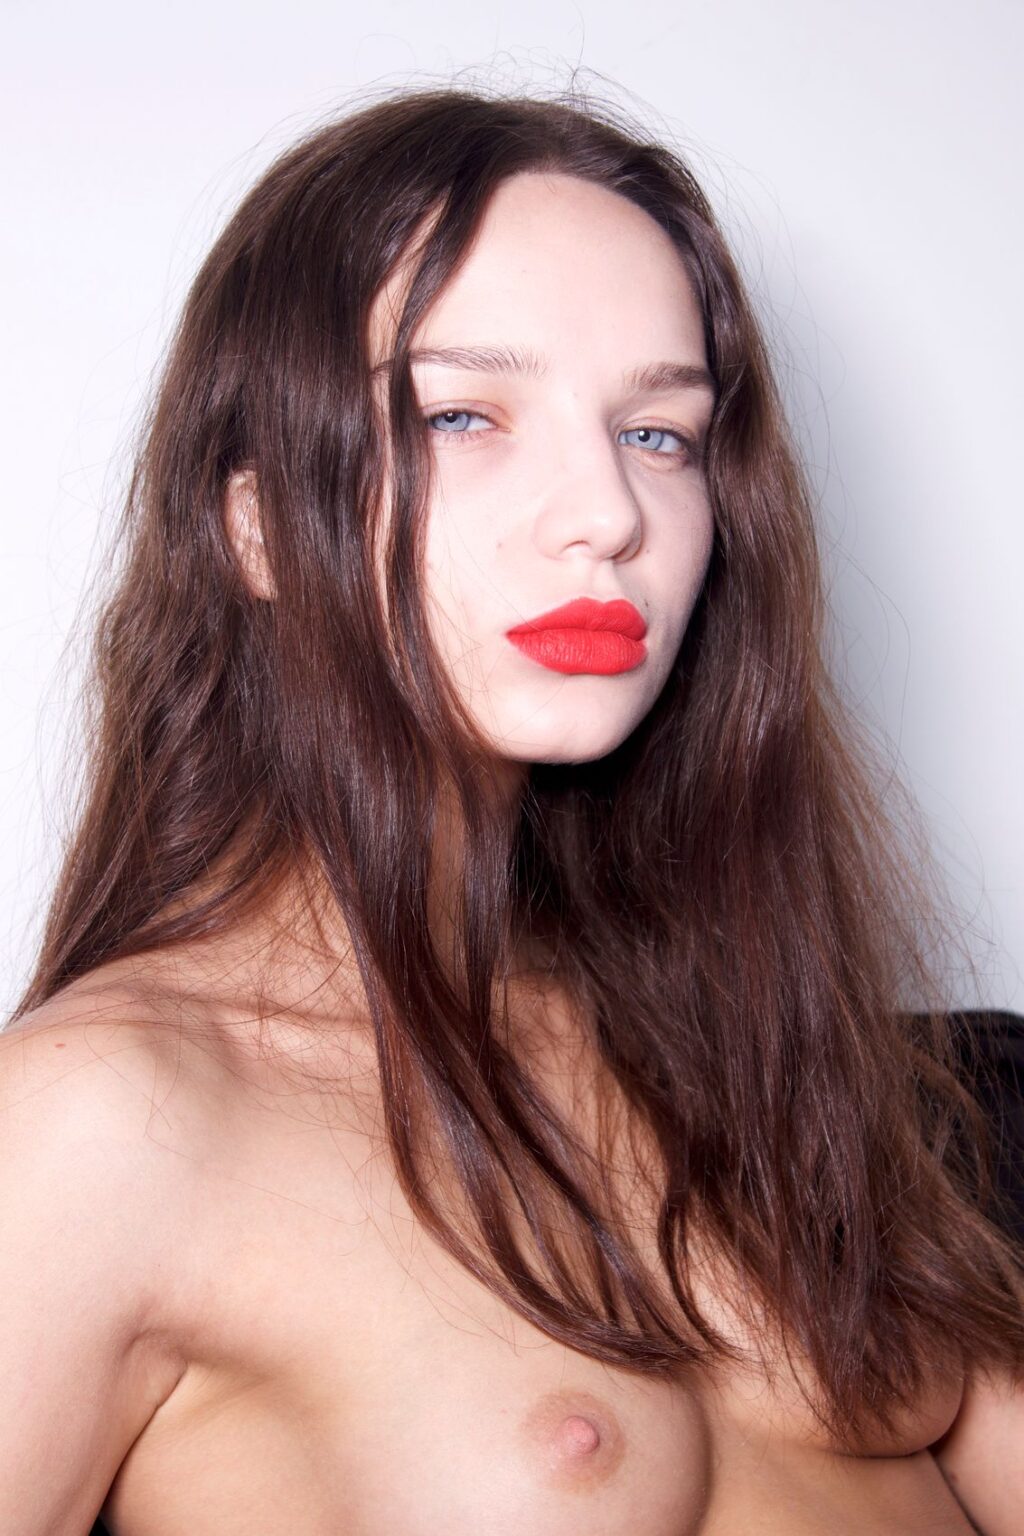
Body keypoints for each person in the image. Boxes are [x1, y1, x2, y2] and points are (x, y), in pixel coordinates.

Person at [2, 82, 1022, 1536]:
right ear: (255, 527)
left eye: (660, 434)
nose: (606, 512)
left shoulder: (771, 1053)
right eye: (464, 414)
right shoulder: (107, 1120)